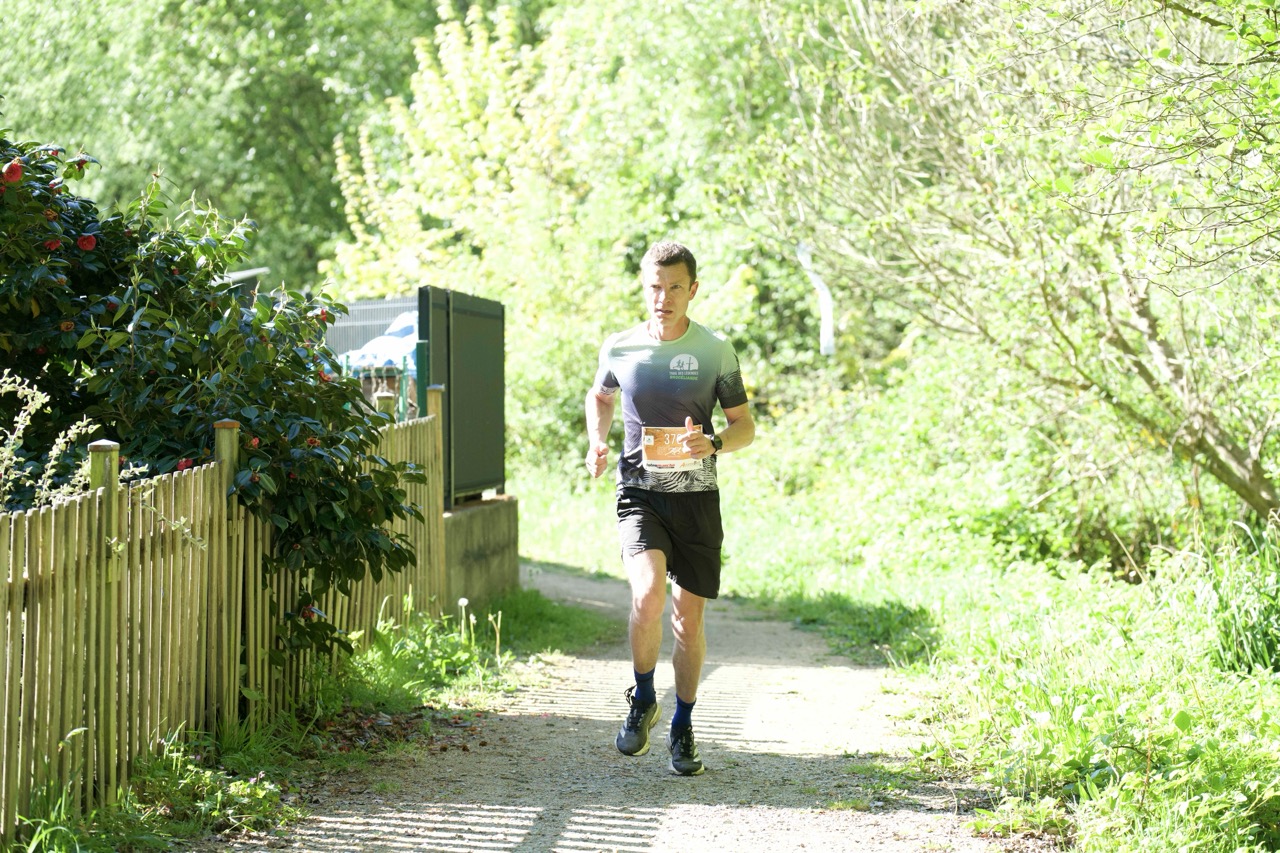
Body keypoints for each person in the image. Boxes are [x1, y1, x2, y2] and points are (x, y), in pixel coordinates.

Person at [584, 240, 755, 776]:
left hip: (697, 499)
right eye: (655, 287)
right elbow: (601, 396)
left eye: (675, 287)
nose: (664, 298)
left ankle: (682, 724)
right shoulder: (621, 346)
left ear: (693, 290)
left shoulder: (716, 351)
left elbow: (745, 426)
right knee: (647, 593)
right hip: (640, 494)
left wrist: (715, 443)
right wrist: (597, 441)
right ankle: (642, 697)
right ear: (645, 287)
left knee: (687, 620)